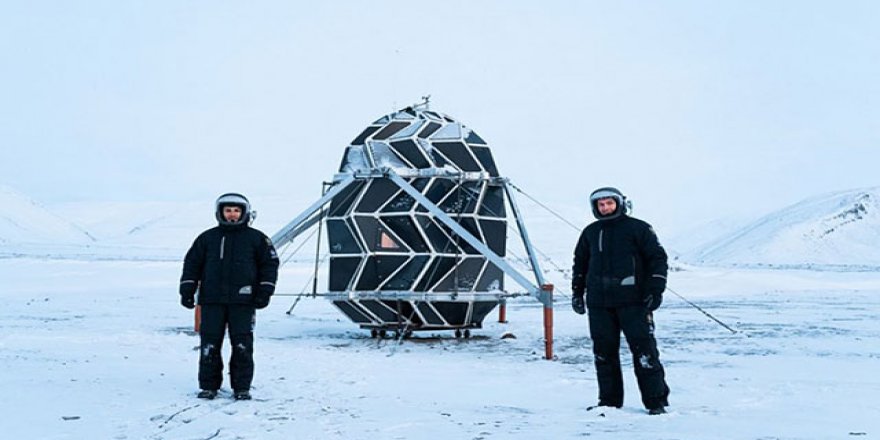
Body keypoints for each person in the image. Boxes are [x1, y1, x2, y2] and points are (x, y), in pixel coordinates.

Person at [570, 187, 670, 415]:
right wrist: (577, 292)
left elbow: (657, 259)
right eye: (601, 205)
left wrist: (655, 290)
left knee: (644, 353)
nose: (605, 208)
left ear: (619, 203)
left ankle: (656, 402)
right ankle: (609, 401)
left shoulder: (639, 228)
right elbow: (580, 264)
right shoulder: (590, 232)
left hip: (634, 302)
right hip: (599, 303)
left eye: (609, 203)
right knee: (603, 353)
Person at [179, 193, 280, 400]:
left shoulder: (257, 239)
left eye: (236, 210)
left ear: (244, 213)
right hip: (211, 300)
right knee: (210, 345)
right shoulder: (207, 238)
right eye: (228, 210)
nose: (232, 214)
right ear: (220, 213)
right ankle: (209, 386)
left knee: (242, 345)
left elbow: (269, 266)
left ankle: (241, 387)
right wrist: (187, 290)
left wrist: (264, 291)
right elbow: (192, 265)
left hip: (244, 301)